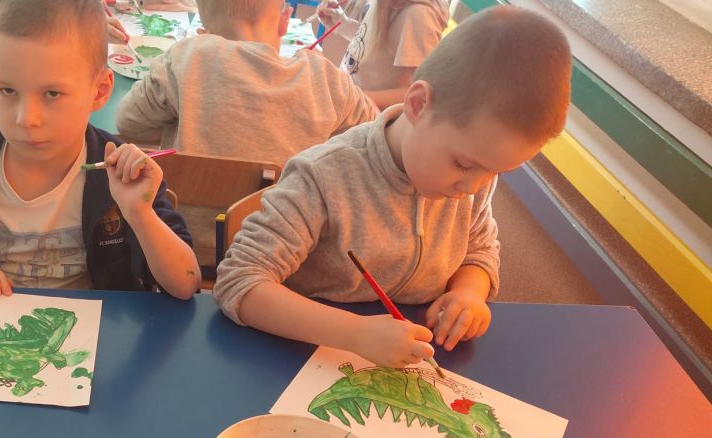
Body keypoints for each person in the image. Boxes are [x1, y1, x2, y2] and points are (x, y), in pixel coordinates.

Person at [214, 7, 571, 367]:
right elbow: (239, 280)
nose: (473, 186)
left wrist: (469, 292)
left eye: (496, 173)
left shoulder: (474, 178)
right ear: (418, 105)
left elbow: (478, 249)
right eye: (464, 164)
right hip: (306, 356)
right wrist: (355, 334)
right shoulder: (324, 175)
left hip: (411, 357)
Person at [0, 0, 201, 299]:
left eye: (52, 94)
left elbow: (185, 284)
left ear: (100, 90)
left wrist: (140, 214)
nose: (27, 119)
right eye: (7, 90)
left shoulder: (122, 173)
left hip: (97, 330)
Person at [115, 0, 377, 166]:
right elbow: (375, 137)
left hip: (178, 233)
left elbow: (127, 123)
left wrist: (188, 123)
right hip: (286, 236)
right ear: (285, 20)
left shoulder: (184, 59)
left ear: (204, 33)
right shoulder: (327, 81)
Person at [321, 0, 449, 110]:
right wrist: (342, 24)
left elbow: (417, 93)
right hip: (348, 101)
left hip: (361, 116)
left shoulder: (419, 15)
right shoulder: (385, 4)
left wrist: (355, 97)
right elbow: (376, 44)